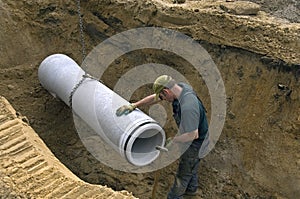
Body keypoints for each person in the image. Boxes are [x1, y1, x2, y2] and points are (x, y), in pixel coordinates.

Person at [116, 75, 209, 199]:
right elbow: (155, 97)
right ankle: (191, 192)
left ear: (166, 91)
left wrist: (174, 140)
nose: (163, 100)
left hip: (196, 143)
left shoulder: (188, 106)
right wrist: (134, 105)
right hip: (193, 135)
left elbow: (193, 134)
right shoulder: (179, 88)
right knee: (191, 167)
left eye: (163, 97)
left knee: (183, 175)